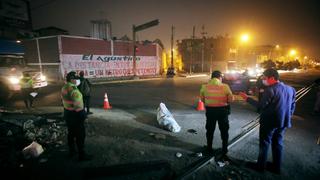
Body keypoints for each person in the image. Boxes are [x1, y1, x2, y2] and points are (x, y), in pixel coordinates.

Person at [239, 68, 296, 174]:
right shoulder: (290, 89)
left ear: (272, 78)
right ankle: (276, 167)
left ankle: (260, 166)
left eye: (265, 78)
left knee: (264, 143)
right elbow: (293, 106)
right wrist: (286, 116)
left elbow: (261, 106)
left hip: (269, 122)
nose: (263, 80)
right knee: (278, 143)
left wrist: (247, 98)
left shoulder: (270, 90)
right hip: (283, 122)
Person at [200, 70, 234, 159]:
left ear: (211, 78)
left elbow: (203, 100)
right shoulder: (225, 87)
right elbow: (231, 100)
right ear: (220, 78)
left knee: (210, 130)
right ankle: (224, 150)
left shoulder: (204, 87)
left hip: (210, 112)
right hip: (222, 112)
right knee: (224, 131)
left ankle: (209, 148)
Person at [61, 71, 91, 161]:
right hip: (76, 115)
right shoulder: (74, 90)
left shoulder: (64, 87)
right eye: (76, 79)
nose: (77, 80)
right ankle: (82, 155)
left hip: (67, 113)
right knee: (80, 135)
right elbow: (78, 107)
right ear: (72, 79)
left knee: (71, 134)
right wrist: (84, 115)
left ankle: (72, 151)